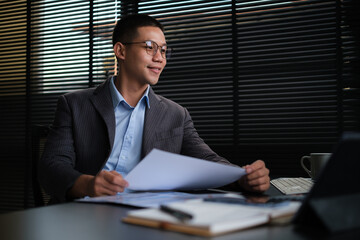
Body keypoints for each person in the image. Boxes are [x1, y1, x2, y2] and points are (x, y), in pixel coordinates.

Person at [39, 14, 270, 203]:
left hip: (148, 212)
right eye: (150, 47)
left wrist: (243, 176)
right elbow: (52, 167)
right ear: (121, 51)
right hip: (86, 212)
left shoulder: (176, 114)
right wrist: (88, 184)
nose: (160, 58)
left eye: (164, 50)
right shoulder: (75, 104)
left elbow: (207, 160)